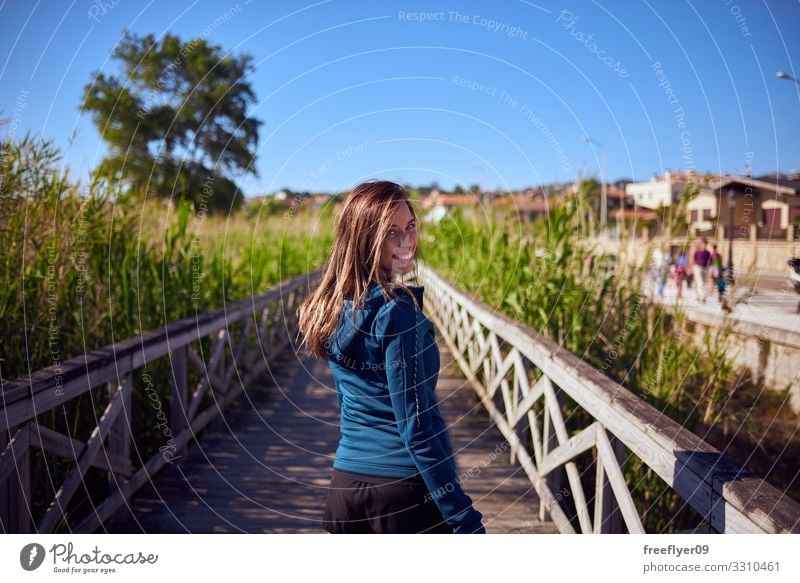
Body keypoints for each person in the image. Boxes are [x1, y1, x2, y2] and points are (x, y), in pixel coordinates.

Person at [297, 180, 485, 534]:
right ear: (365, 239)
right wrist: (463, 518)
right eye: (391, 232)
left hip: (346, 488)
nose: (406, 241)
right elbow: (416, 426)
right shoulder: (397, 313)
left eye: (410, 227)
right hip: (400, 494)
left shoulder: (335, 307)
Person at [692, 237, 711, 303]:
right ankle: (701, 297)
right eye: (703, 244)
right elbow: (694, 260)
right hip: (697, 268)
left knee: (704, 283)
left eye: (705, 244)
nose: (704, 245)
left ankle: (699, 295)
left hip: (705, 268)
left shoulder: (708, 253)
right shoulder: (697, 252)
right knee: (700, 282)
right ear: (701, 244)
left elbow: (710, 262)